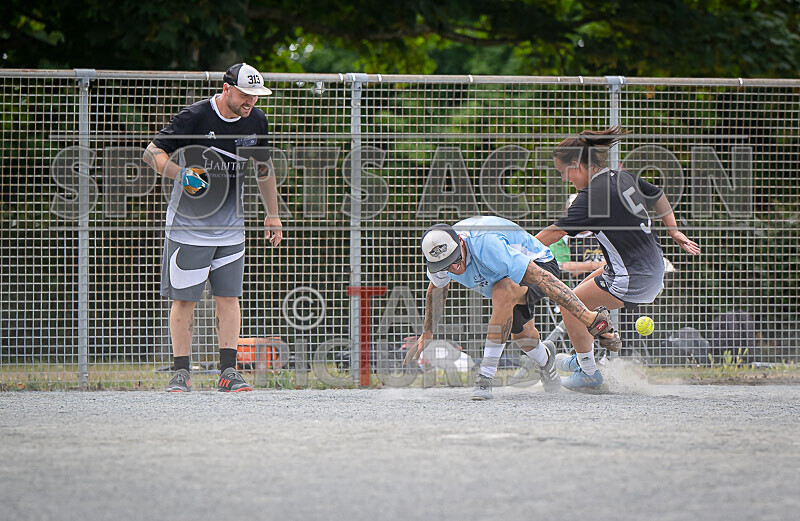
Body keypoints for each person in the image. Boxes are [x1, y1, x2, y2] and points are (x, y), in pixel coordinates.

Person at [143, 63, 283, 392]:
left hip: (231, 226)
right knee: (185, 300)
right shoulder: (195, 116)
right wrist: (182, 175)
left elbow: (263, 167)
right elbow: (152, 152)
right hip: (188, 227)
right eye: (246, 96)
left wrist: (273, 214)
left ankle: (228, 371)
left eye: (256, 97)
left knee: (229, 298)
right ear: (226, 89)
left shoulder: (257, 120)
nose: (251, 102)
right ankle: (181, 372)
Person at [535, 126, 700, 392]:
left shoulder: (591, 197)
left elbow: (553, 234)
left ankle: (589, 372)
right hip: (648, 268)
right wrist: (674, 229)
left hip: (635, 278)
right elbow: (657, 195)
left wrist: (517, 250)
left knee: (567, 303)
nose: (566, 179)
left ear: (576, 164)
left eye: (563, 172)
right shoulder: (621, 177)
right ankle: (583, 357)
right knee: (579, 291)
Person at [404, 216, 618, 400]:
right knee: (522, 335)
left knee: (503, 290)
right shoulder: (438, 257)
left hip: (539, 264)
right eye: (445, 266)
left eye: (455, 260)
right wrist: (427, 332)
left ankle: (485, 376)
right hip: (502, 278)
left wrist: (587, 316)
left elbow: (544, 279)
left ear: (460, 242)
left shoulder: (487, 246)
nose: (454, 269)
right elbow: (437, 290)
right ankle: (546, 360)